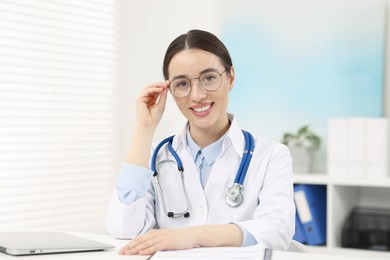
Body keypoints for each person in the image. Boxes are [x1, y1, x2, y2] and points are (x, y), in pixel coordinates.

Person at [105, 29, 295, 255]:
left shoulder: (271, 155)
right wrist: (144, 129)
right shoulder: (156, 158)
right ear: (170, 90)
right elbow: (124, 228)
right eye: (182, 84)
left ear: (231, 78)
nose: (197, 95)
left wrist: (190, 236)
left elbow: (277, 232)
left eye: (209, 78)